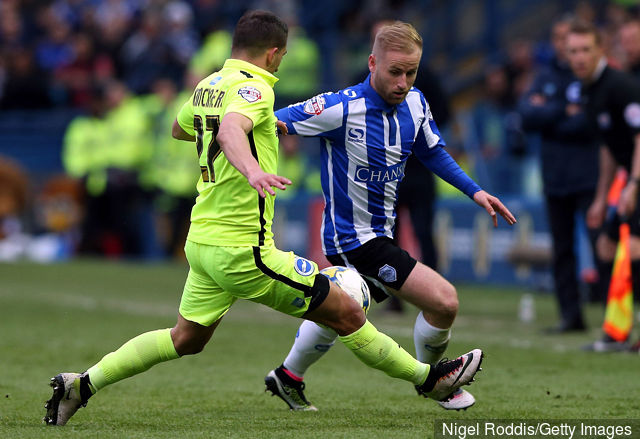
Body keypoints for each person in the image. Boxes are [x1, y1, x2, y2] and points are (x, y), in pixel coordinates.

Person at [43, 11, 483, 427]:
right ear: (274, 53)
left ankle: (81, 384)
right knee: (348, 311)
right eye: (284, 56)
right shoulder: (256, 89)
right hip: (243, 250)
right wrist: (252, 168)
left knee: (185, 339)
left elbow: (182, 128)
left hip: (202, 241)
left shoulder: (207, 85)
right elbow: (231, 130)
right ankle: (429, 380)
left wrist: (225, 136)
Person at [263, 21, 515, 412]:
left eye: (410, 72)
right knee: (444, 301)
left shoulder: (416, 103)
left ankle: (288, 376)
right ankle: (435, 382)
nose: (402, 82)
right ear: (372, 63)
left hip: (381, 234)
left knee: (344, 306)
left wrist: (476, 191)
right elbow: (270, 121)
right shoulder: (339, 107)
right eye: (394, 71)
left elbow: (431, 151)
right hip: (352, 239)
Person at [518, 16, 600, 333]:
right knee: (562, 250)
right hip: (554, 177)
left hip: (590, 176)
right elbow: (526, 115)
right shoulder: (545, 76)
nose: (564, 46)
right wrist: (562, 110)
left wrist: (548, 112)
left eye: (570, 40)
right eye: (558, 38)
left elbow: (586, 123)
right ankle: (571, 316)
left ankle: (615, 316)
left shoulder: (591, 80)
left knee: (601, 245)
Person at [565, 19, 640, 351]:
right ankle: (618, 330)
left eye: (586, 50)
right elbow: (609, 146)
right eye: (573, 51)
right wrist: (600, 198)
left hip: (638, 177)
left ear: (601, 51)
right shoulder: (587, 90)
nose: (579, 57)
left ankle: (619, 334)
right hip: (631, 177)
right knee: (607, 247)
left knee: (634, 248)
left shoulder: (621, 86)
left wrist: (634, 184)